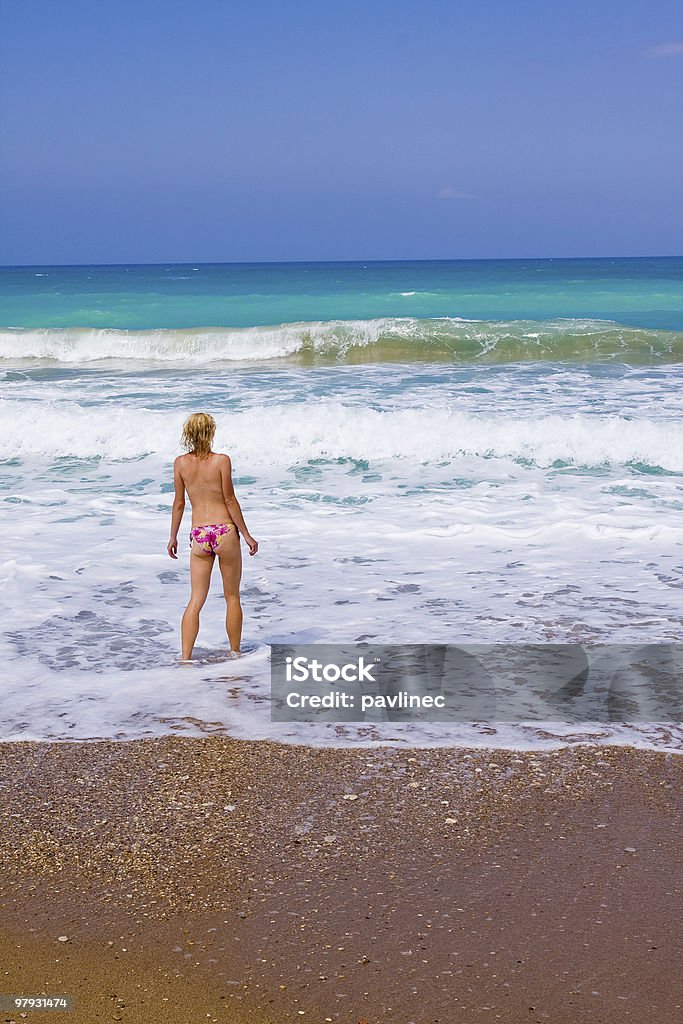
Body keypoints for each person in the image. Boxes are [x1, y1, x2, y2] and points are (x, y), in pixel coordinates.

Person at [167, 412, 258, 660]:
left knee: (196, 599)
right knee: (232, 596)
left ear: (189, 434)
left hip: (199, 534)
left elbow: (178, 503)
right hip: (224, 531)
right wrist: (247, 535)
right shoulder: (222, 461)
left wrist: (173, 536)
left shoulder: (180, 463)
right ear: (211, 432)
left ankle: (185, 658)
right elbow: (229, 499)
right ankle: (235, 654)